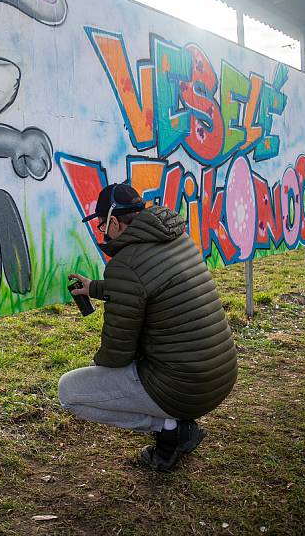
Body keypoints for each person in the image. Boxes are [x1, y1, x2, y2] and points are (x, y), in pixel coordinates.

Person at [59, 182, 238, 472]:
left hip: (184, 389)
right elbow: (150, 284)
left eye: (102, 226)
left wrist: (99, 371)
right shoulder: (178, 239)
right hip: (219, 375)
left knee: (70, 392)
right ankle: (175, 428)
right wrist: (96, 289)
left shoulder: (126, 264)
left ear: (114, 222)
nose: (102, 233)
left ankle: (172, 428)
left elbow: (116, 355)